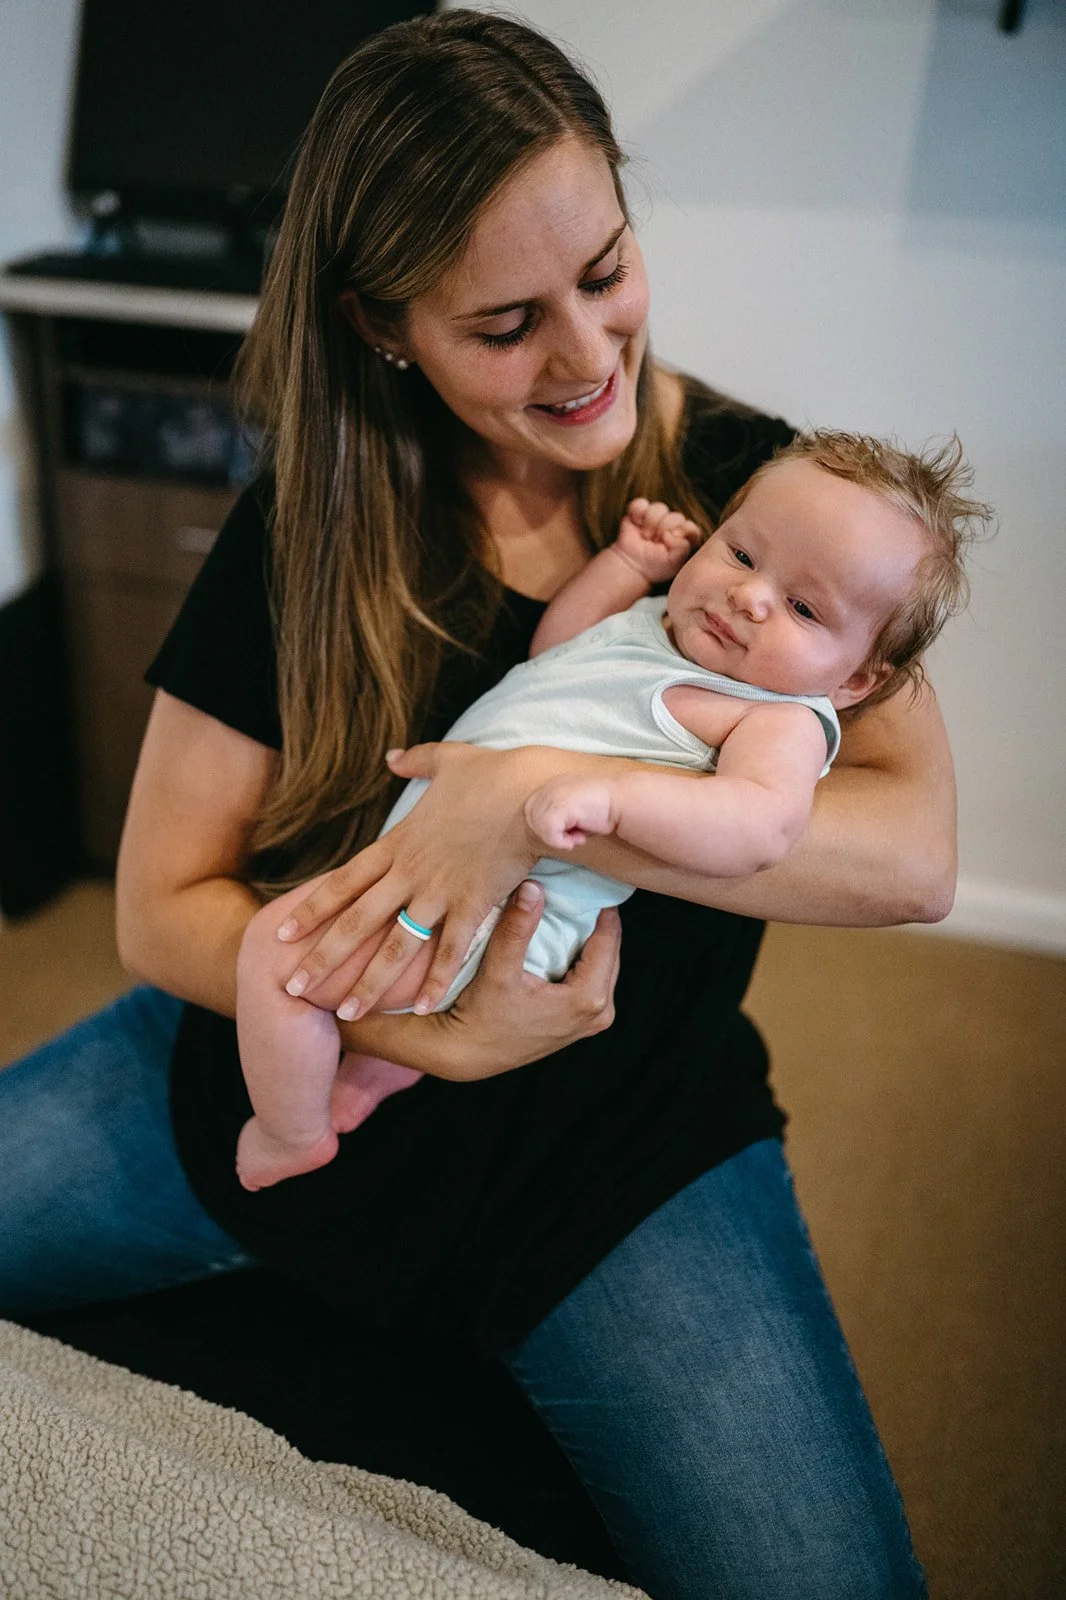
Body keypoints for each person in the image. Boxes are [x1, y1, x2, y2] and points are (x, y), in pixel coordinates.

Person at [0, 11, 964, 1596]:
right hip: (289, 1058)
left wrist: (522, 801)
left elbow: (914, 860)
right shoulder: (297, 532)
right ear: (386, 325)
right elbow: (161, 908)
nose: (588, 359)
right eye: (505, 323)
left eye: (605, 271)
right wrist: (414, 1037)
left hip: (615, 1151)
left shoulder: (766, 509)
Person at [234, 432, 983, 1194]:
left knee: (276, 953)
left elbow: (759, 826)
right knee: (355, 977)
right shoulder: (659, 628)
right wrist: (624, 569)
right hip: (442, 863)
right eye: (743, 555)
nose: (750, 597)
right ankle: (377, 1072)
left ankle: (288, 1133)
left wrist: (610, 796)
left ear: (856, 680)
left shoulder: (776, 721)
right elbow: (556, 660)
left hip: (498, 919)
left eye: (801, 607)